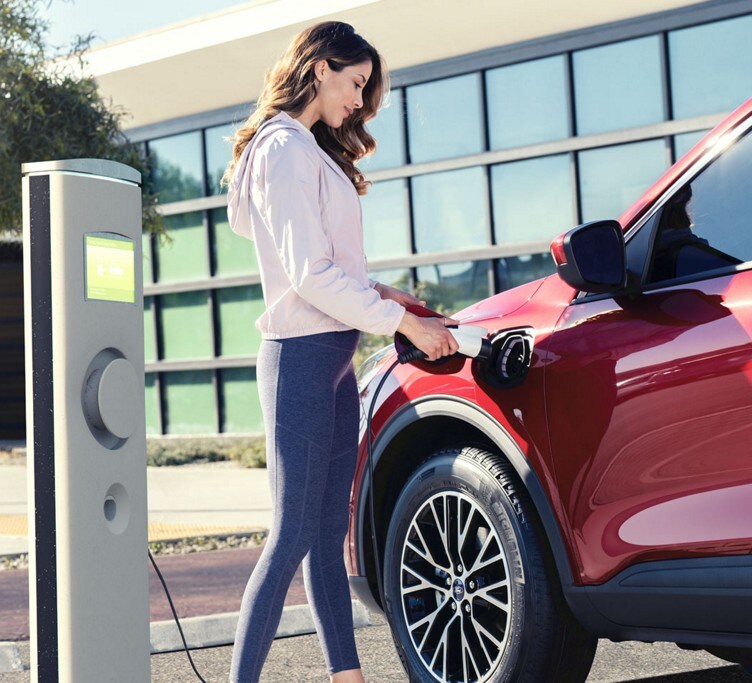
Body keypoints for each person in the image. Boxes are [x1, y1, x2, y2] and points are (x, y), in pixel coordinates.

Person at [223, 20, 458, 683]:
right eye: (356, 83)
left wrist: (388, 296)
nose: (358, 101)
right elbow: (306, 275)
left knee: (327, 538)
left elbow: (327, 268)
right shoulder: (281, 150)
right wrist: (400, 326)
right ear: (322, 66)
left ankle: (346, 677)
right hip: (300, 357)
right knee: (292, 533)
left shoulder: (307, 151)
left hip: (331, 359)